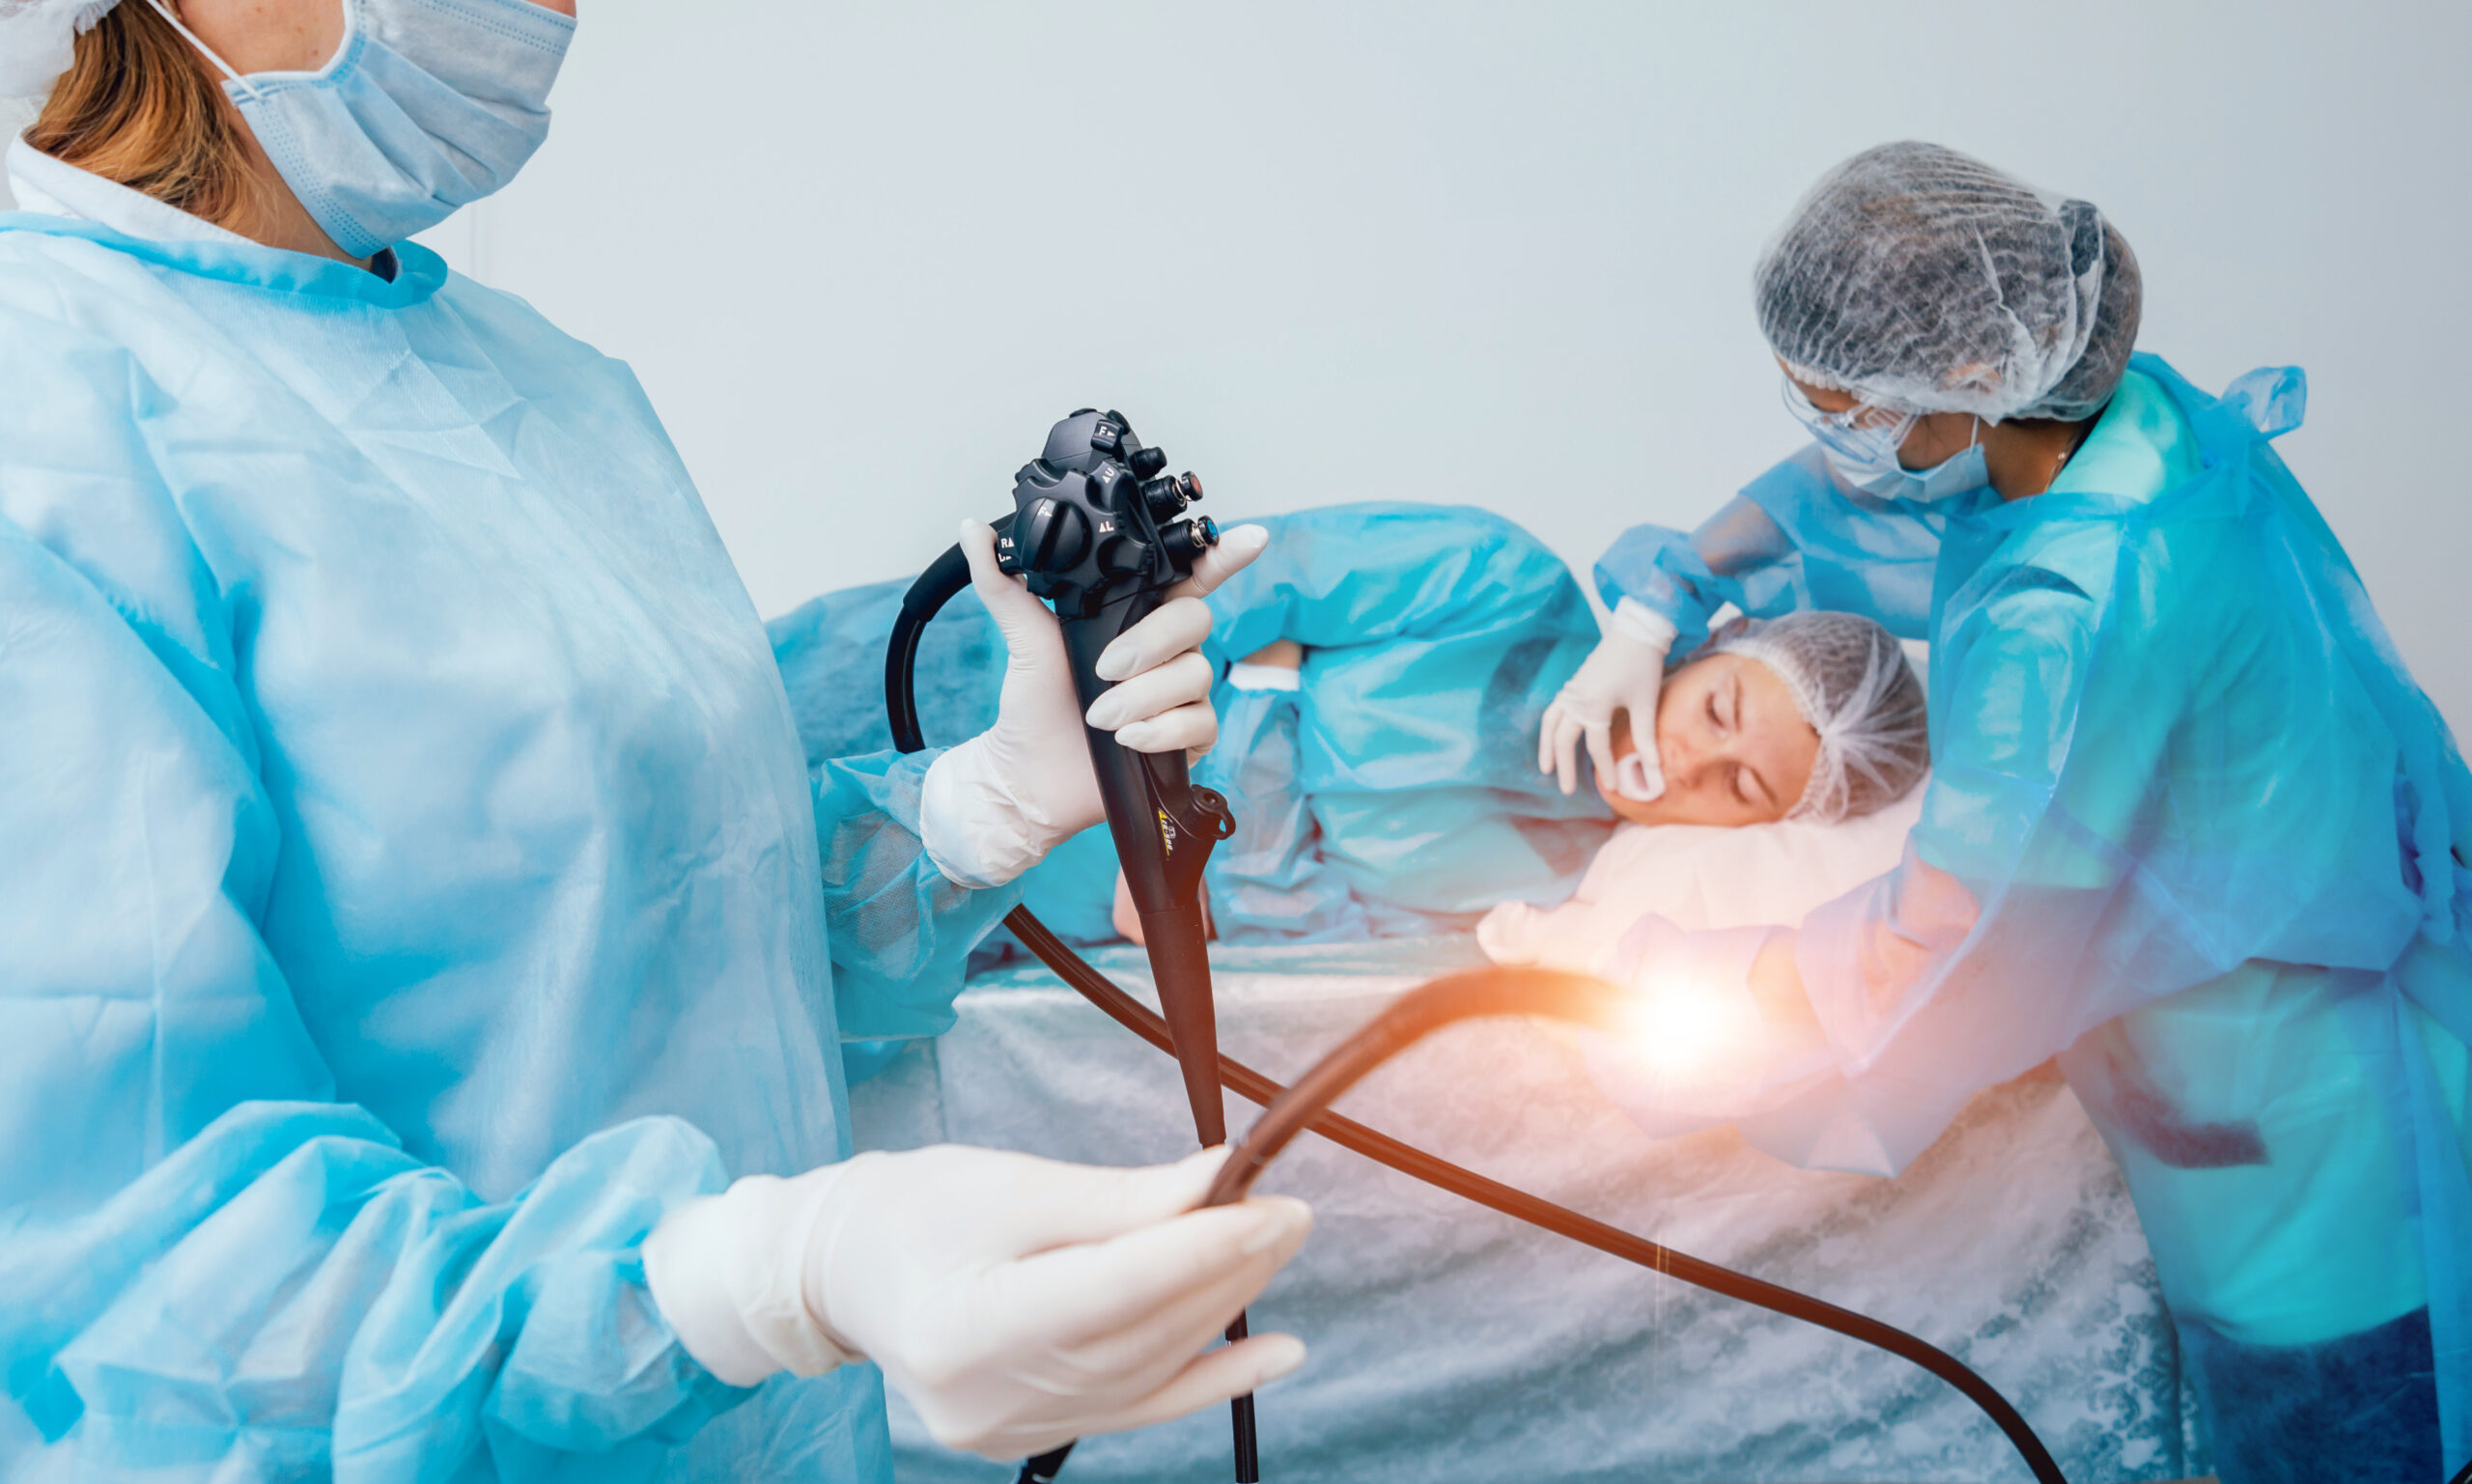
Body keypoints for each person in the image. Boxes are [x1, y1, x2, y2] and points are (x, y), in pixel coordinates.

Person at [0, 2, 1312, 1479]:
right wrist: (729, 1280)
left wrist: (980, 807)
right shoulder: (44, 418)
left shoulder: (542, 384)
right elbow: (127, 1251)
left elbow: (662, 916)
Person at [1545, 141, 2471, 1484]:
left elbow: (1952, 943)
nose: (1832, 435)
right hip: (2367, 1022)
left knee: (2355, 1438)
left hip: (2302, 1145)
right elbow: (1856, 505)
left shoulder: (2083, 610)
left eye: (1841, 403)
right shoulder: (2108, 420)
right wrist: (1662, 597)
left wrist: (1664, 975)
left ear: (1971, 375)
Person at [772, 502, 1928, 952]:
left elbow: (1314, 930)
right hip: (1023, 679)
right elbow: (1239, 583)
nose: (1691, 758)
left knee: (759, 910)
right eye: (1720, 711)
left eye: (1738, 787)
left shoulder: (1545, 887)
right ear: (1699, 646)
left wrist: (1194, 878)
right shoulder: (1499, 581)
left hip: (1060, 891)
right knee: (705, 739)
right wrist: (1185, 799)